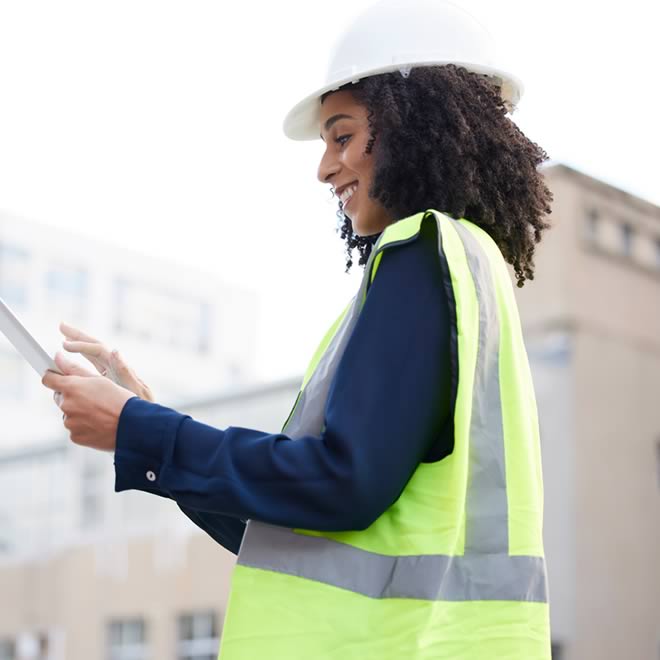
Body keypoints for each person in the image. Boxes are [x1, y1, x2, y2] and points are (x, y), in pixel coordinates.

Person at [42, 1, 554, 657]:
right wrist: (143, 425)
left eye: (342, 136)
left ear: (410, 121)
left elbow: (339, 485)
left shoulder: (421, 253)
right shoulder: (468, 268)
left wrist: (140, 430)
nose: (325, 167)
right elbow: (300, 519)